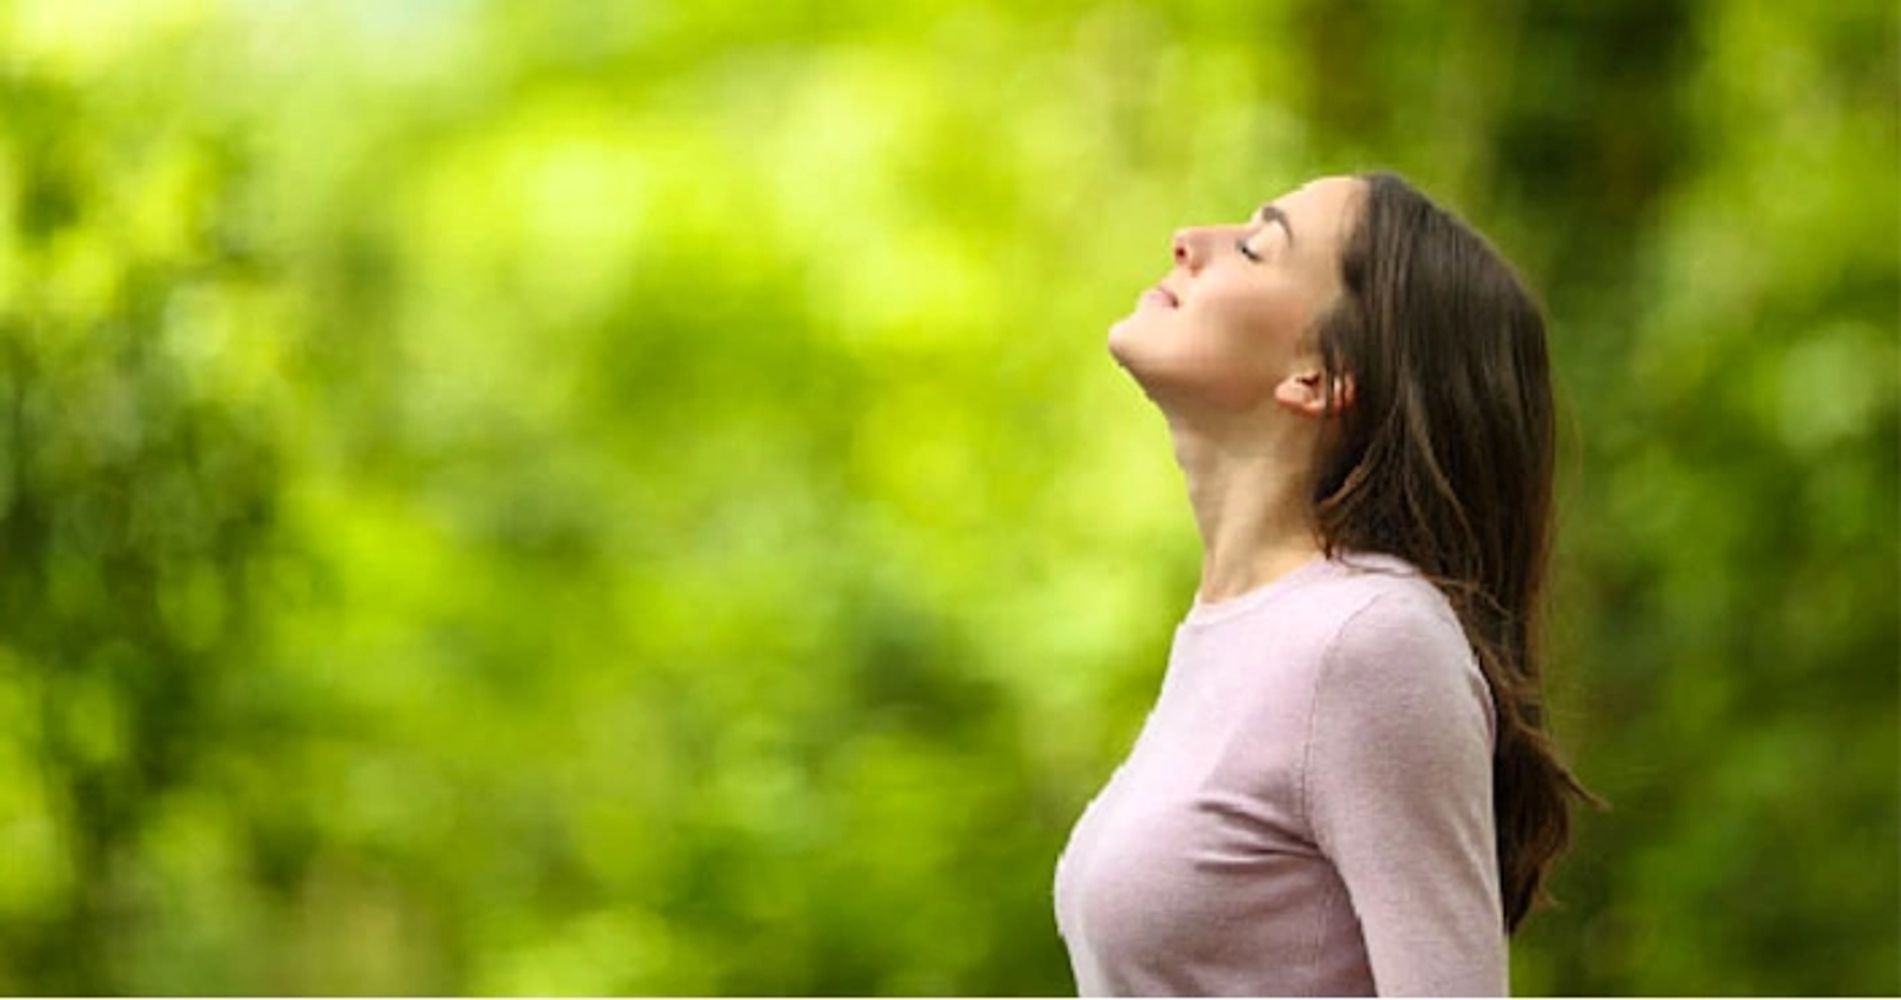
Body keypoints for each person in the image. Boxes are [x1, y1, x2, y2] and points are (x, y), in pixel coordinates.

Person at [1053, 171, 1608, 996]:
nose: (1187, 241)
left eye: (1252, 247)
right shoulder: (1242, 632)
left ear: (1319, 374)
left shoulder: (1368, 640)